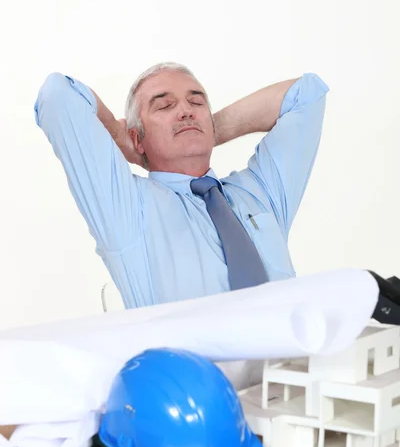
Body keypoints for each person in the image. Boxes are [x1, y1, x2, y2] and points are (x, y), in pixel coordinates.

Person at [34, 63, 329, 310]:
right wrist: (120, 137)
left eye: (197, 102)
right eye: (165, 105)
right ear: (138, 137)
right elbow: (58, 95)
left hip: (293, 371)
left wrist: (211, 129)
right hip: (194, 377)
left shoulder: (260, 192)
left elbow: (307, 95)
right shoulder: (127, 208)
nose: (186, 111)